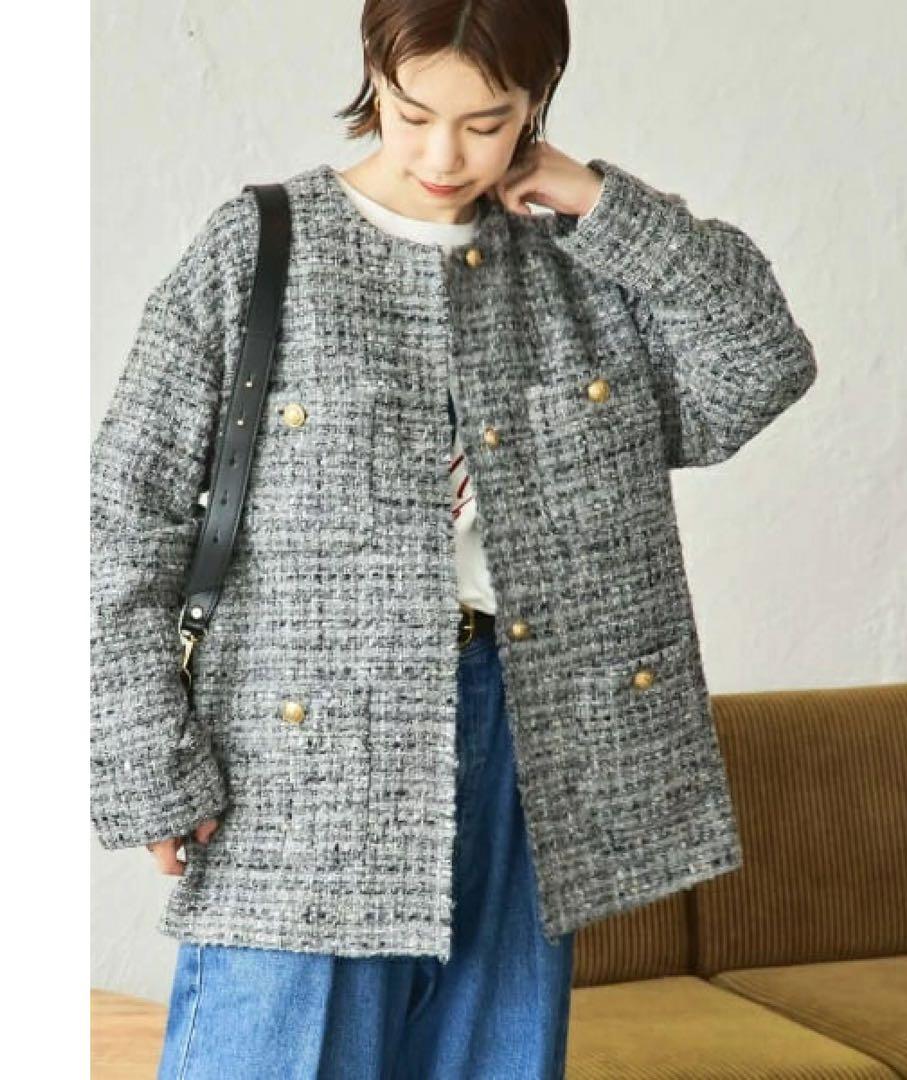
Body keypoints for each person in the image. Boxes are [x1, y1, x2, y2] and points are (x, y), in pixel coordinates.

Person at [91, 1, 818, 1077]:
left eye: (486, 123)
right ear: (374, 76)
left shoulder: (576, 262)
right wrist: (150, 764)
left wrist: (606, 203)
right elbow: (121, 519)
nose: (443, 157)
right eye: (413, 114)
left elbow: (760, 364)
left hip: (532, 738)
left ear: (536, 102)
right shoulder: (260, 247)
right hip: (299, 761)